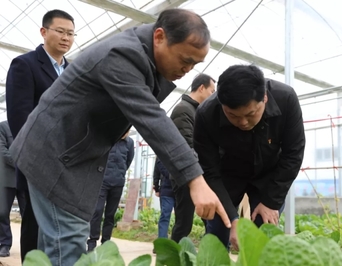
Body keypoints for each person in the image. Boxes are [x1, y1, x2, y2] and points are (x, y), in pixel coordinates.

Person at [9, 8, 230, 265]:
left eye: (195, 64)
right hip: (55, 157)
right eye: (185, 59)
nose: (188, 69)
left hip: (70, 154)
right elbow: (152, 119)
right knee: (68, 245)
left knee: (51, 248)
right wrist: (195, 179)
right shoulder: (122, 55)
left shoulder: (145, 57)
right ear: (159, 37)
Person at [193, 64, 305, 250]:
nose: (243, 122)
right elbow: (209, 170)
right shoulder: (206, 114)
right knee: (219, 231)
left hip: (269, 175)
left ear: (265, 98)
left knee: (263, 232)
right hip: (227, 175)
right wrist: (232, 218)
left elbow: (293, 153)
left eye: (251, 114)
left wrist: (271, 202)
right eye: (232, 116)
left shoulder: (286, 99)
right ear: (222, 106)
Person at [5, 9, 75, 262]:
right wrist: (44, 155)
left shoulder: (74, 70)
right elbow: (19, 119)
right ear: (44, 32)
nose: (66, 38)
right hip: (38, 162)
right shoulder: (25, 65)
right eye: (60, 31)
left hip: (69, 165)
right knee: (35, 224)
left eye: (71, 33)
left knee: (62, 228)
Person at [170, 73, 215, 243]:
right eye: (212, 92)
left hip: (198, 175)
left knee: (210, 219)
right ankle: (171, 258)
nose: (213, 96)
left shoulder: (197, 111)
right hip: (185, 176)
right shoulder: (183, 110)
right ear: (201, 88)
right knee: (184, 223)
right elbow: (186, 147)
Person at [87, 130, 134, 252]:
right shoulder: (108, 139)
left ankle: (106, 243)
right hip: (103, 182)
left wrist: (120, 173)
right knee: (97, 211)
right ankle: (92, 242)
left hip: (117, 183)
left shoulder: (129, 143)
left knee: (110, 215)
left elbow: (128, 161)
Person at [0, 121, 26, 257]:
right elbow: (2, 150)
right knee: (2, 212)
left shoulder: (29, 125)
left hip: (26, 178)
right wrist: (21, 163)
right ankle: (4, 243)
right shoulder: (3, 127)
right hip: (7, 177)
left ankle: (30, 245)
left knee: (28, 214)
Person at [153, 158, 174, 245]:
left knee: (181, 219)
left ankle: (176, 242)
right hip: (167, 191)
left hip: (178, 191)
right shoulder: (160, 154)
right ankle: (162, 244)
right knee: (165, 216)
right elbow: (156, 172)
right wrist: (157, 188)